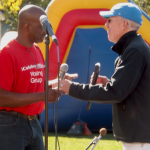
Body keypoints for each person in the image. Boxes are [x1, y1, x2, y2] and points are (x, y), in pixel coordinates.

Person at [52, 2, 150, 150]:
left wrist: (71, 88)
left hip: (139, 139)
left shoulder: (134, 50)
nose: (106, 24)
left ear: (124, 24)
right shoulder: (135, 47)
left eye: (109, 20)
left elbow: (115, 92)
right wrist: (109, 83)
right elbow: (127, 90)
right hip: (138, 136)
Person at [0, 4, 61, 150]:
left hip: (34, 123)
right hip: (10, 125)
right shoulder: (6, 53)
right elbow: (2, 97)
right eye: (42, 27)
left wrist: (56, 83)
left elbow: (33, 84)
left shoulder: (37, 50)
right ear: (27, 27)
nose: (46, 33)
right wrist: (42, 96)